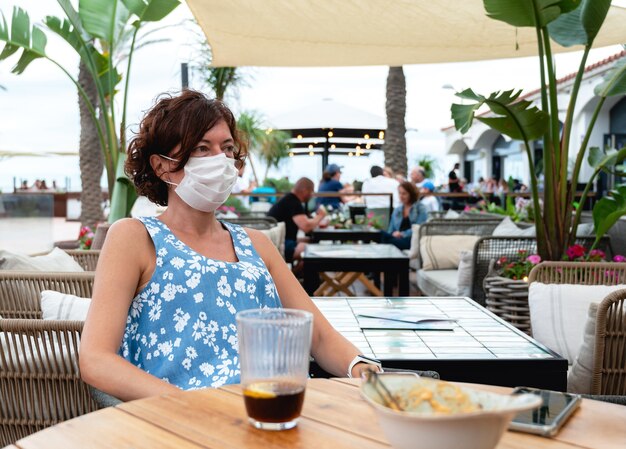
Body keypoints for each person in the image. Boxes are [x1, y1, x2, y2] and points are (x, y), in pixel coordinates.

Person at [79, 90, 379, 402]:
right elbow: (96, 359)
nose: (220, 161)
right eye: (201, 148)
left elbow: (316, 334)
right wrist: (192, 409)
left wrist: (363, 370)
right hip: (183, 424)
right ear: (161, 166)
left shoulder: (256, 244)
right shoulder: (135, 237)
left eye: (227, 148)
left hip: (274, 412)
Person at [267, 177, 327, 264]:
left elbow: (306, 223)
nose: (311, 195)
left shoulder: (290, 199)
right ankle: (298, 276)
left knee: (312, 241)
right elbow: (306, 227)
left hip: (280, 241)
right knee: (311, 250)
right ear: (305, 190)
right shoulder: (293, 202)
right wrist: (320, 216)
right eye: (311, 191)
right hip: (279, 245)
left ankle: (295, 275)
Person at [381, 181, 427, 250]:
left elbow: (419, 228)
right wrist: (393, 234)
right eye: (399, 193)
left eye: (404, 194)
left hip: (411, 239)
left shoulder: (420, 208)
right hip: (396, 239)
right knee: (381, 234)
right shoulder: (397, 210)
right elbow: (390, 229)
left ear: (411, 194)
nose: (401, 196)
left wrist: (402, 234)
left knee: (387, 240)